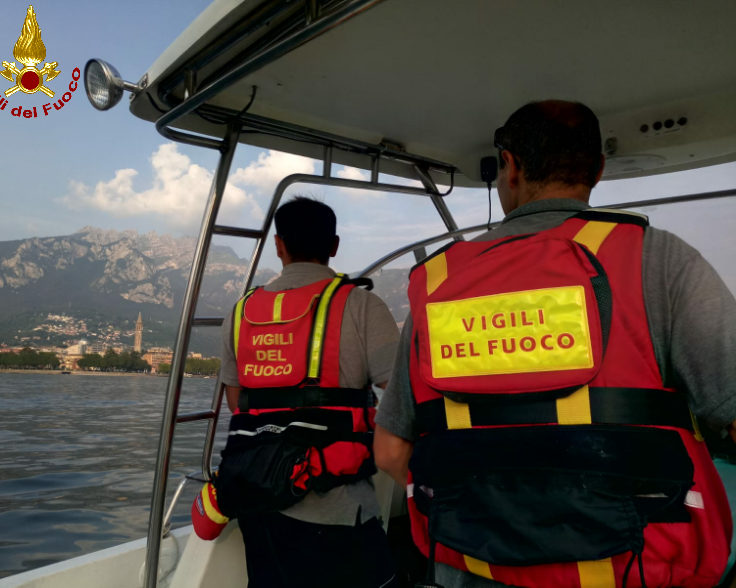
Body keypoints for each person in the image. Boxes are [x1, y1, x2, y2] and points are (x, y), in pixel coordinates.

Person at [374, 100, 735, 588]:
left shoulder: (436, 281)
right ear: (598, 170)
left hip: (471, 565)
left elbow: (392, 452)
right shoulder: (659, 258)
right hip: (632, 567)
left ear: (511, 167)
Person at [192, 196, 400, 588]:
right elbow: (401, 398)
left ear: (278, 245)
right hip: (337, 508)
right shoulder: (362, 305)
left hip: (257, 504)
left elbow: (238, 403)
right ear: (334, 246)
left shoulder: (240, 313)